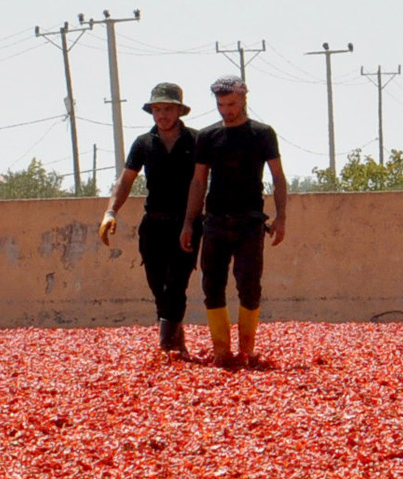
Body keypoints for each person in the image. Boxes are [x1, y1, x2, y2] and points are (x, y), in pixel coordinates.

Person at [180, 75, 287, 367]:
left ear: (243, 100)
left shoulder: (262, 134)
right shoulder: (207, 136)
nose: (226, 110)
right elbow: (198, 181)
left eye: (231, 104)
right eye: (221, 105)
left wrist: (281, 218)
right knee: (211, 284)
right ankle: (221, 350)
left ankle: (247, 350)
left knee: (249, 284)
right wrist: (189, 222)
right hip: (215, 220)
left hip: (250, 221)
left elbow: (278, 177)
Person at [100, 82, 200, 355]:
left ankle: (167, 345)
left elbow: (203, 181)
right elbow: (126, 180)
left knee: (177, 283)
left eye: (167, 109)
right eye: (157, 109)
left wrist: (192, 221)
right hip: (154, 225)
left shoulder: (196, 141)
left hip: (186, 223)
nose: (162, 115)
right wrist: (111, 211)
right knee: (158, 284)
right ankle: (175, 336)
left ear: (179, 111)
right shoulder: (143, 143)